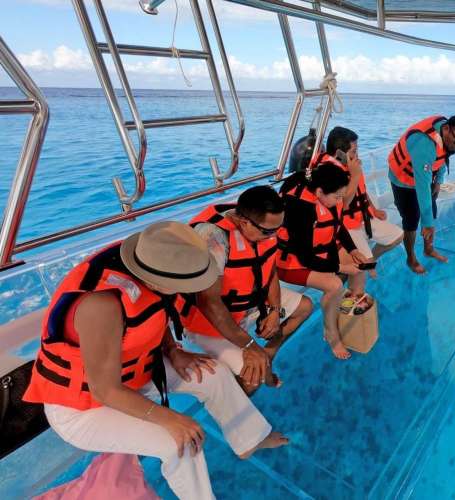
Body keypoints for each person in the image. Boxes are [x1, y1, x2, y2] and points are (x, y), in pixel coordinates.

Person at [23, 222, 288, 500]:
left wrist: (174, 351)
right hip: (85, 406)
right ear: (153, 279)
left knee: (214, 374)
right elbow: (105, 390)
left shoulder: (154, 262)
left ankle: (249, 439)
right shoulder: (100, 305)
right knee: (180, 442)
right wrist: (171, 419)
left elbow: (151, 312)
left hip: (138, 373)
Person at [180, 186, 313, 392]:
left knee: (304, 307)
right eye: (269, 231)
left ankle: (267, 353)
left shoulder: (262, 227)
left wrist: (275, 312)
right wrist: (250, 346)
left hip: (250, 302)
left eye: (279, 227)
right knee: (254, 377)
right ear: (244, 222)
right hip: (210, 321)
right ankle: (239, 397)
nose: (275, 235)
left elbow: (270, 269)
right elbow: (209, 304)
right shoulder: (212, 238)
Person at [276, 163, 370, 360]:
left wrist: (353, 250)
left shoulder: (327, 196)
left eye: (341, 196)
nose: (340, 201)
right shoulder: (299, 207)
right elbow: (306, 258)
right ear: (319, 191)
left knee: (360, 267)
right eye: (337, 197)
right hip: (292, 262)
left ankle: (346, 315)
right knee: (335, 285)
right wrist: (342, 267)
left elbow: (337, 224)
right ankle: (331, 332)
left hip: (320, 252)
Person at [388, 111, 455, 274]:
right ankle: (411, 258)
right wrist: (427, 224)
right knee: (411, 220)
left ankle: (428, 250)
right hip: (403, 181)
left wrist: (439, 180)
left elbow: (443, 155)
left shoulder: (446, 134)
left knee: (431, 211)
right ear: (448, 129)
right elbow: (421, 188)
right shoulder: (424, 144)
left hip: (425, 175)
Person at [322, 126, 403, 265]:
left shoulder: (353, 167)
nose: (357, 154)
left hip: (364, 217)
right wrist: (355, 175)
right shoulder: (330, 174)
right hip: (347, 225)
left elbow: (362, 191)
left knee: (398, 236)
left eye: (357, 150)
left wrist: (374, 210)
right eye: (354, 151)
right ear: (339, 153)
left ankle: (372, 258)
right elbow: (344, 205)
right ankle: (360, 265)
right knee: (364, 266)